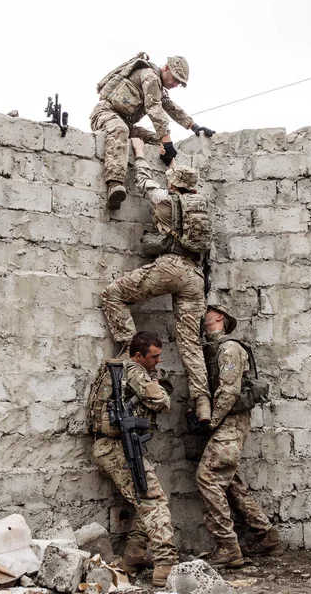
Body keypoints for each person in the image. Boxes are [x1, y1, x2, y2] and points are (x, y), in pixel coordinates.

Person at [101, 137, 212, 424]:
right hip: (194, 277)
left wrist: (139, 153)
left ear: (174, 186)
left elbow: (144, 182)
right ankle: (202, 401)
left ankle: (129, 350)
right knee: (191, 344)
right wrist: (172, 161)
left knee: (113, 294)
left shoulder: (164, 200)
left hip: (169, 267)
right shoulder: (201, 203)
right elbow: (183, 184)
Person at [197, 304, 284, 568]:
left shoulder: (229, 348)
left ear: (220, 317)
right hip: (229, 421)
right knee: (230, 480)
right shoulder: (215, 348)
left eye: (206, 314)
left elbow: (229, 391)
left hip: (230, 420)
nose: (201, 317)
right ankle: (266, 535)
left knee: (207, 477)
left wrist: (212, 420)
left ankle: (227, 548)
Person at [91, 331, 178, 588]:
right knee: (153, 499)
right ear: (138, 355)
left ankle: (133, 556)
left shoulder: (113, 368)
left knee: (145, 498)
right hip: (118, 446)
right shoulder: (135, 371)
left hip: (110, 444)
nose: (158, 361)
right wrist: (157, 385)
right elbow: (162, 402)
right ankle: (165, 564)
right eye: (154, 357)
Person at [90, 52, 214, 209]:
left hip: (127, 124)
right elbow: (154, 108)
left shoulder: (159, 87)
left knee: (157, 141)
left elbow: (170, 107)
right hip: (106, 113)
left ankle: (173, 180)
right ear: (166, 68)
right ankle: (115, 184)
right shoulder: (150, 76)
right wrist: (167, 140)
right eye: (176, 79)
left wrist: (194, 126)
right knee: (120, 130)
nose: (176, 84)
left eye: (179, 83)